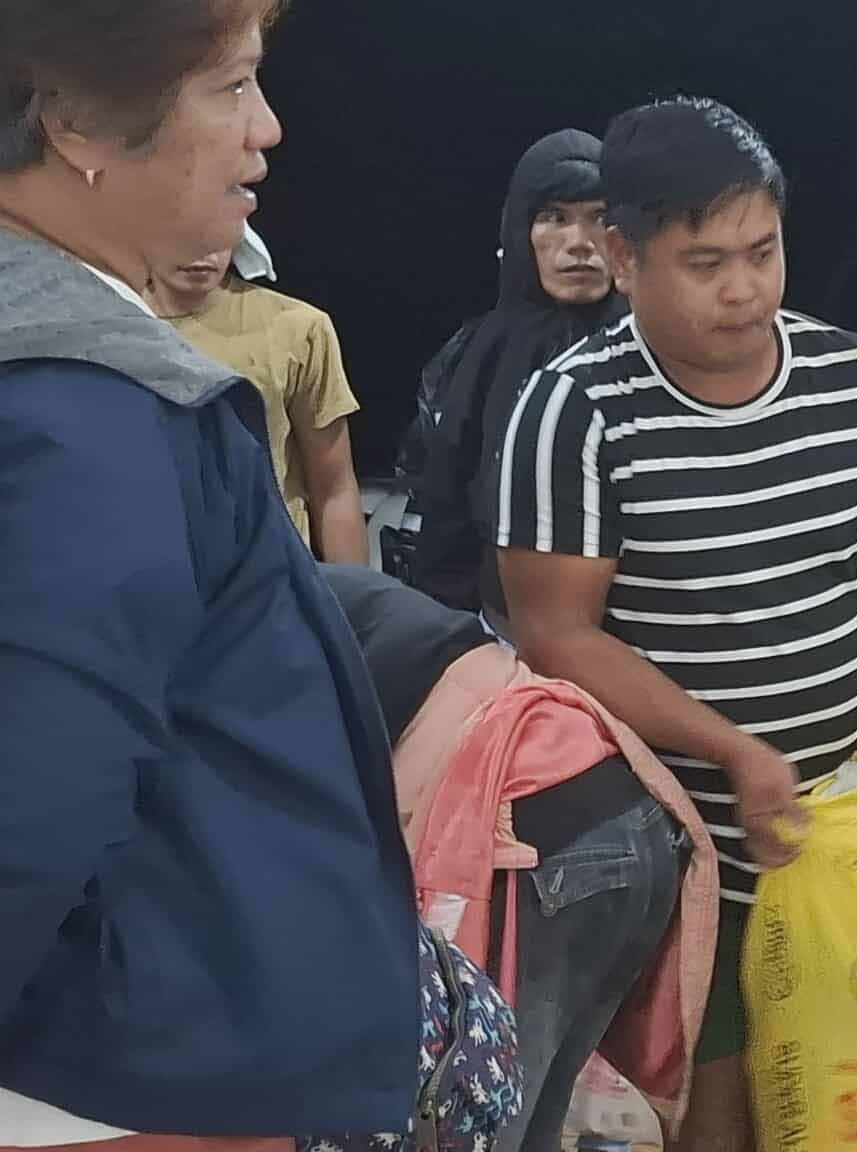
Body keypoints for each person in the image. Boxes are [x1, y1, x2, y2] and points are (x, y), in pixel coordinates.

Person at [493, 96, 857, 1151]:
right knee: (718, 1118)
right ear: (624, 256)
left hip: (846, 842)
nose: (744, 289)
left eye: (762, 251)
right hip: (681, 860)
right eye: (705, 263)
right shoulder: (573, 411)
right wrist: (731, 748)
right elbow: (557, 635)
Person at [0, 0, 418, 1147]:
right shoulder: (82, 410)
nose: (266, 127)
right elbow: (33, 805)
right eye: (230, 86)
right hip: (112, 1090)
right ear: (77, 122)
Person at [321, 563, 716, 1152]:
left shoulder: (252, 637)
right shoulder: (310, 595)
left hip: (541, 844)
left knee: (478, 1118)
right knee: (531, 1118)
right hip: (638, 822)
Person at [412, 129, 620, 622]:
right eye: (555, 218)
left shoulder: (660, 348)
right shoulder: (475, 356)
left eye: (600, 218)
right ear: (520, 232)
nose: (580, 243)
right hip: (502, 630)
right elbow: (446, 513)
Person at [149, 226, 368, 562]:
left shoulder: (295, 327)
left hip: (268, 577)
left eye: (216, 225)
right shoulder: (95, 331)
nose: (203, 247)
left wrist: (354, 593)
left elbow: (334, 487)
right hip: (144, 574)